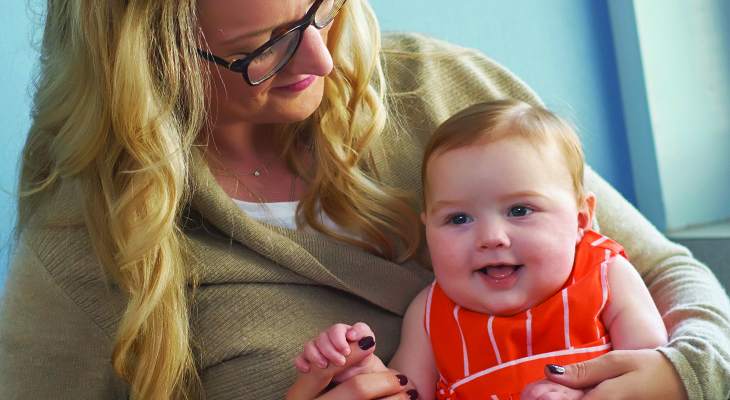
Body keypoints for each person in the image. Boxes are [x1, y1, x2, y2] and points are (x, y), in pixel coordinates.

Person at [0, 0, 727, 398]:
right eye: (268, 45)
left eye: (320, 11)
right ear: (151, 62)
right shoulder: (87, 240)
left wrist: (678, 375)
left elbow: (673, 277)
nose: (321, 58)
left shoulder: (445, 90)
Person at [293, 100, 670, 400]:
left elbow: (655, 374)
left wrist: (586, 392)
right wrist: (361, 369)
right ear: (429, 230)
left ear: (581, 220)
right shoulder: (430, 313)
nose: (491, 237)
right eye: (458, 219)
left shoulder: (606, 275)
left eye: (520, 211)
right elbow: (406, 392)